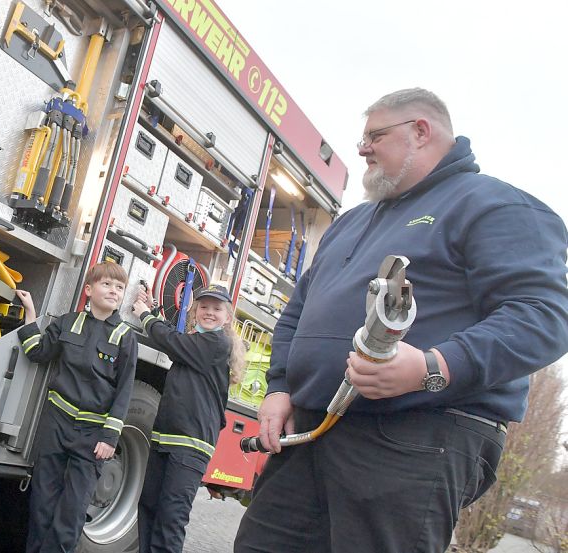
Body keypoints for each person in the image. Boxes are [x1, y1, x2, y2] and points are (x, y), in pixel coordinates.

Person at [234, 88, 568, 553]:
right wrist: (280, 386)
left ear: (421, 132)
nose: (362, 147)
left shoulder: (495, 206)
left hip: (417, 435)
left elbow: (544, 316)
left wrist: (432, 368)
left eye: (375, 135)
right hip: (312, 432)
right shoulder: (351, 222)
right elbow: (298, 310)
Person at [14, 262, 138, 553]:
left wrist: (110, 437)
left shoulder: (124, 336)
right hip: (57, 423)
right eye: (107, 284)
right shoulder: (68, 322)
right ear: (88, 289)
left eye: (119, 287)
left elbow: (125, 390)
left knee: (72, 510)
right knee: (42, 502)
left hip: (93, 435)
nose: (113, 291)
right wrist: (30, 316)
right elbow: (38, 352)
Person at [132, 283, 246, 553]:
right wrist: (155, 313)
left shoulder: (217, 342)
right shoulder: (198, 341)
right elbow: (178, 340)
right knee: (149, 508)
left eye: (217, 309)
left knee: (171, 520)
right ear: (194, 312)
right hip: (166, 439)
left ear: (227, 318)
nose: (209, 312)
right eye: (203, 307)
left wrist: (146, 316)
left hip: (190, 444)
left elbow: (173, 341)